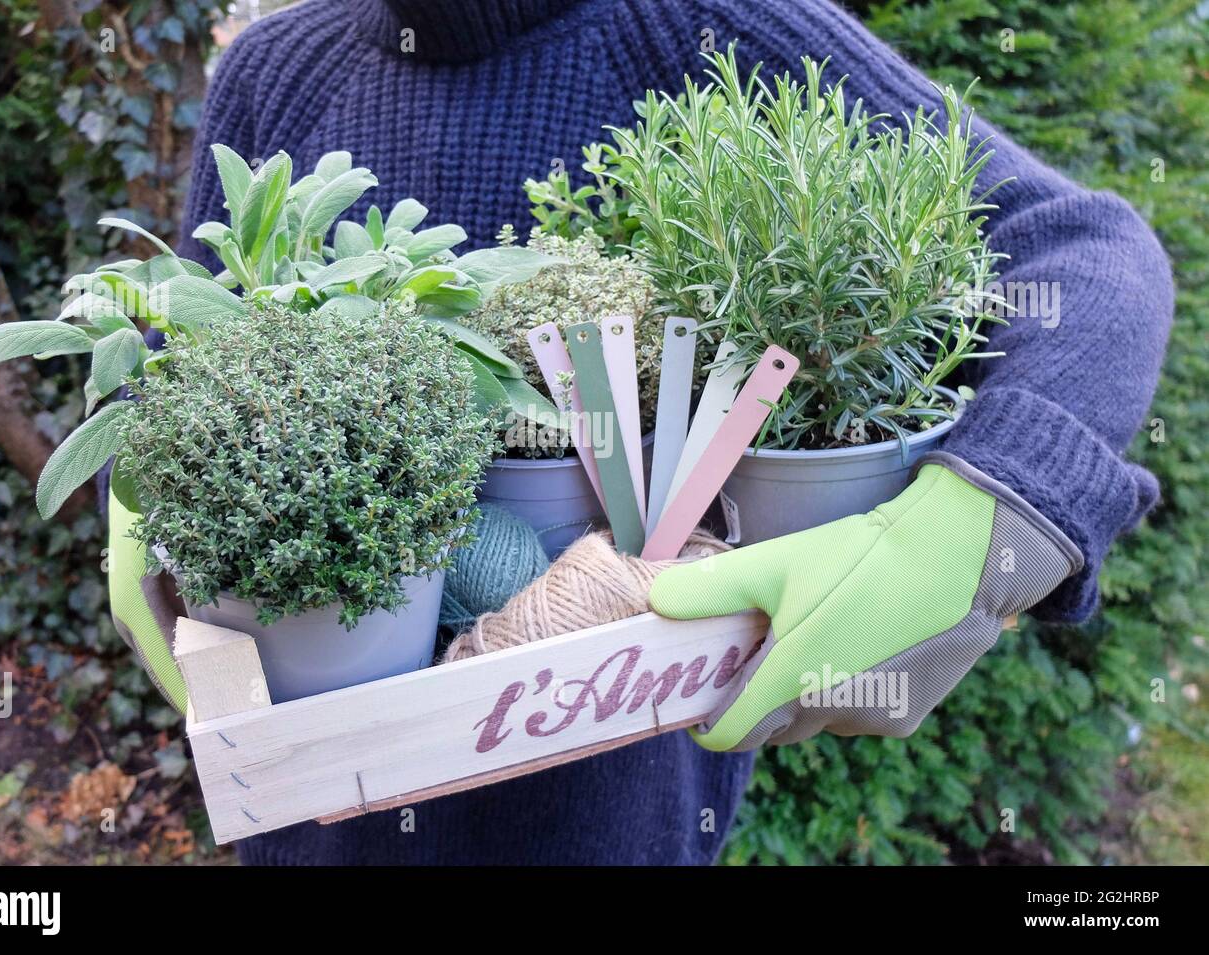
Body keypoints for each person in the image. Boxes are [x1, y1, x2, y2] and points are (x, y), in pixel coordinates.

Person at [165, 0, 1172, 864]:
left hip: (609, 816)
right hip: (309, 817)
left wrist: (982, 518)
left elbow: (1082, 249)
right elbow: (180, 349)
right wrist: (144, 484)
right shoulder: (272, 70)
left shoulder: (704, 27)